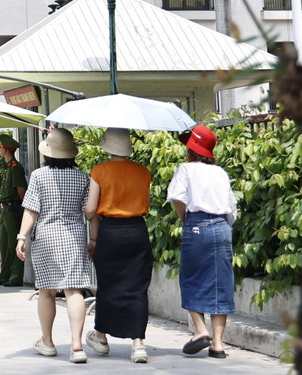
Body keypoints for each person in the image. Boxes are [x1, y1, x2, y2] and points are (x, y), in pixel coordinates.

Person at [16, 127, 93, 363]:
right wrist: (93, 239)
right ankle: (77, 346)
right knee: (74, 290)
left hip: (46, 237)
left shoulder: (39, 176)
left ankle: (47, 342)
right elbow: (89, 212)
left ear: (48, 153)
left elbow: (31, 209)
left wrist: (21, 236)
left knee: (47, 291)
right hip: (75, 237)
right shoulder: (83, 177)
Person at [83, 128, 153, 364]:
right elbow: (147, 203)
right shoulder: (144, 172)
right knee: (137, 286)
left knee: (108, 285)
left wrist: (89, 222)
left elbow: (91, 210)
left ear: (107, 147)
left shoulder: (99, 171)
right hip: (137, 231)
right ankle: (138, 344)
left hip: (110, 232)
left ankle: (101, 337)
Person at [168, 124, 238, 359]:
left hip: (196, 225)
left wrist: (185, 218)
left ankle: (200, 331)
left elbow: (177, 197)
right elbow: (232, 210)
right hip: (222, 228)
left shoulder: (186, 169)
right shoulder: (221, 173)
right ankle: (218, 344)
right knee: (221, 283)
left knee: (191, 278)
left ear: (192, 149)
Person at [0, 132, 28, 287]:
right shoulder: (8, 167)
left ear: (5, 149)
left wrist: (23, 210)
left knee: (14, 242)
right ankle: (4, 274)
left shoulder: (15, 167)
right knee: (5, 243)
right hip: (6, 210)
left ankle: (15, 276)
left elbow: (21, 190)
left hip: (13, 209)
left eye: (0, 148)